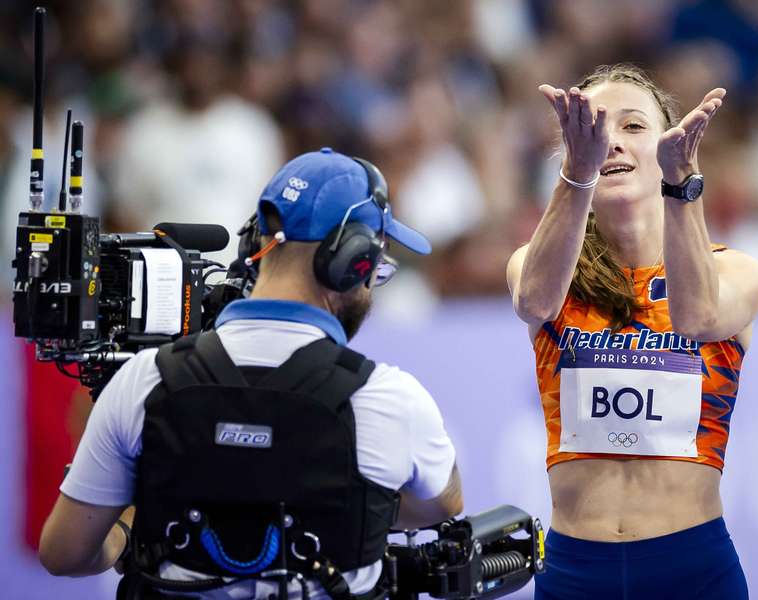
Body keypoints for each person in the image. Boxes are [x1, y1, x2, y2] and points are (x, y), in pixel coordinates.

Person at [38, 148, 463, 599]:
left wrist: (131, 520)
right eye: (376, 266)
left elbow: (65, 553)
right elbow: (444, 502)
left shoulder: (144, 380)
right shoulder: (391, 399)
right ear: (354, 262)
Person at [506, 65, 758, 599]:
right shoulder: (542, 269)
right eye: (597, 129)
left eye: (633, 127)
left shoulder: (737, 272)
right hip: (575, 569)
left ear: (669, 146)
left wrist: (682, 186)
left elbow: (695, 318)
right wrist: (576, 175)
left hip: (691, 566)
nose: (613, 144)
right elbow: (534, 300)